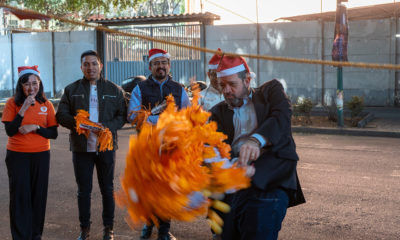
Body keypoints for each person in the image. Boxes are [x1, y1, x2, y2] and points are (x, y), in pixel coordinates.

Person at [209, 55, 305, 240]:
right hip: (234, 184)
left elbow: (281, 117)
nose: (227, 91)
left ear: (247, 80)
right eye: (222, 86)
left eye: (232, 84)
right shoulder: (216, 113)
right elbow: (212, 148)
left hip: (270, 181)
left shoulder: (270, 92)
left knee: (258, 229)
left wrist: (256, 140)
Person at [56, 50, 126, 240]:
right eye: (86, 64)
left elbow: (122, 116)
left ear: (101, 66)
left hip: (106, 147)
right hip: (82, 148)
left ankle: (108, 228)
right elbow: (61, 115)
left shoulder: (114, 90)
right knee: (83, 190)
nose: (90, 67)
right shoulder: (71, 90)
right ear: (81, 68)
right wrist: (78, 124)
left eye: (94, 64)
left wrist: (107, 127)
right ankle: (84, 228)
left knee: (107, 189)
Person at [127, 48, 190, 240]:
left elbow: (187, 117)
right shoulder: (140, 88)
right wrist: (165, 120)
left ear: (169, 66)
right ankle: (148, 225)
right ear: (150, 66)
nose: (160, 66)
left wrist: (155, 119)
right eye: (156, 63)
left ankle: (164, 230)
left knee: (167, 189)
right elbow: (133, 116)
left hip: (172, 147)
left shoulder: (179, 89)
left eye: (164, 62)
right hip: (147, 146)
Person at [2, 65, 58, 240]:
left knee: (38, 196)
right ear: (20, 86)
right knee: (20, 197)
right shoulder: (12, 103)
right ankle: (20, 236)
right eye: (26, 84)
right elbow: (10, 131)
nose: (31, 87)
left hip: (41, 155)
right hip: (18, 155)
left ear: (40, 84)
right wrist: (23, 109)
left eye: (34, 83)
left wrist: (35, 127)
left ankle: (35, 235)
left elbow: (53, 133)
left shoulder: (47, 105)